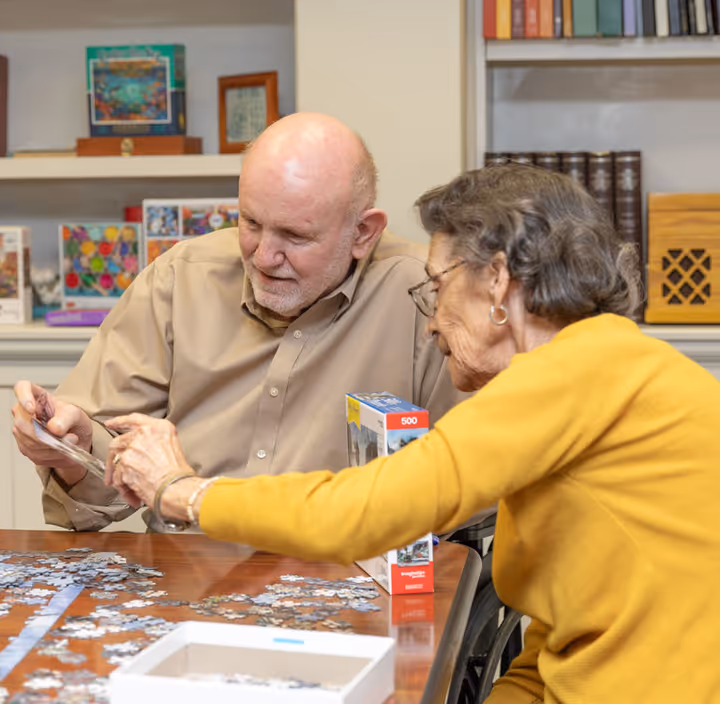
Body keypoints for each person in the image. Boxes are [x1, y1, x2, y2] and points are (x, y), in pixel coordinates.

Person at [104, 164, 720, 703]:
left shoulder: (573, 372)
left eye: (436, 284)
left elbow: (364, 512)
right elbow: (565, 638)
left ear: (498, 281)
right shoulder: (597, 363)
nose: (429, 324)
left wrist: (180, 491)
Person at [11, 112, 464, 532]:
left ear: (363, 233)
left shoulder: (430, 295)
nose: (264, 257)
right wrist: (77, 448)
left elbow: (464, 488)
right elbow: (102, 488)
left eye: (295, 236)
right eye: (250, 222)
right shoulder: (181, 277)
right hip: (185, 582)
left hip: (352, 582)